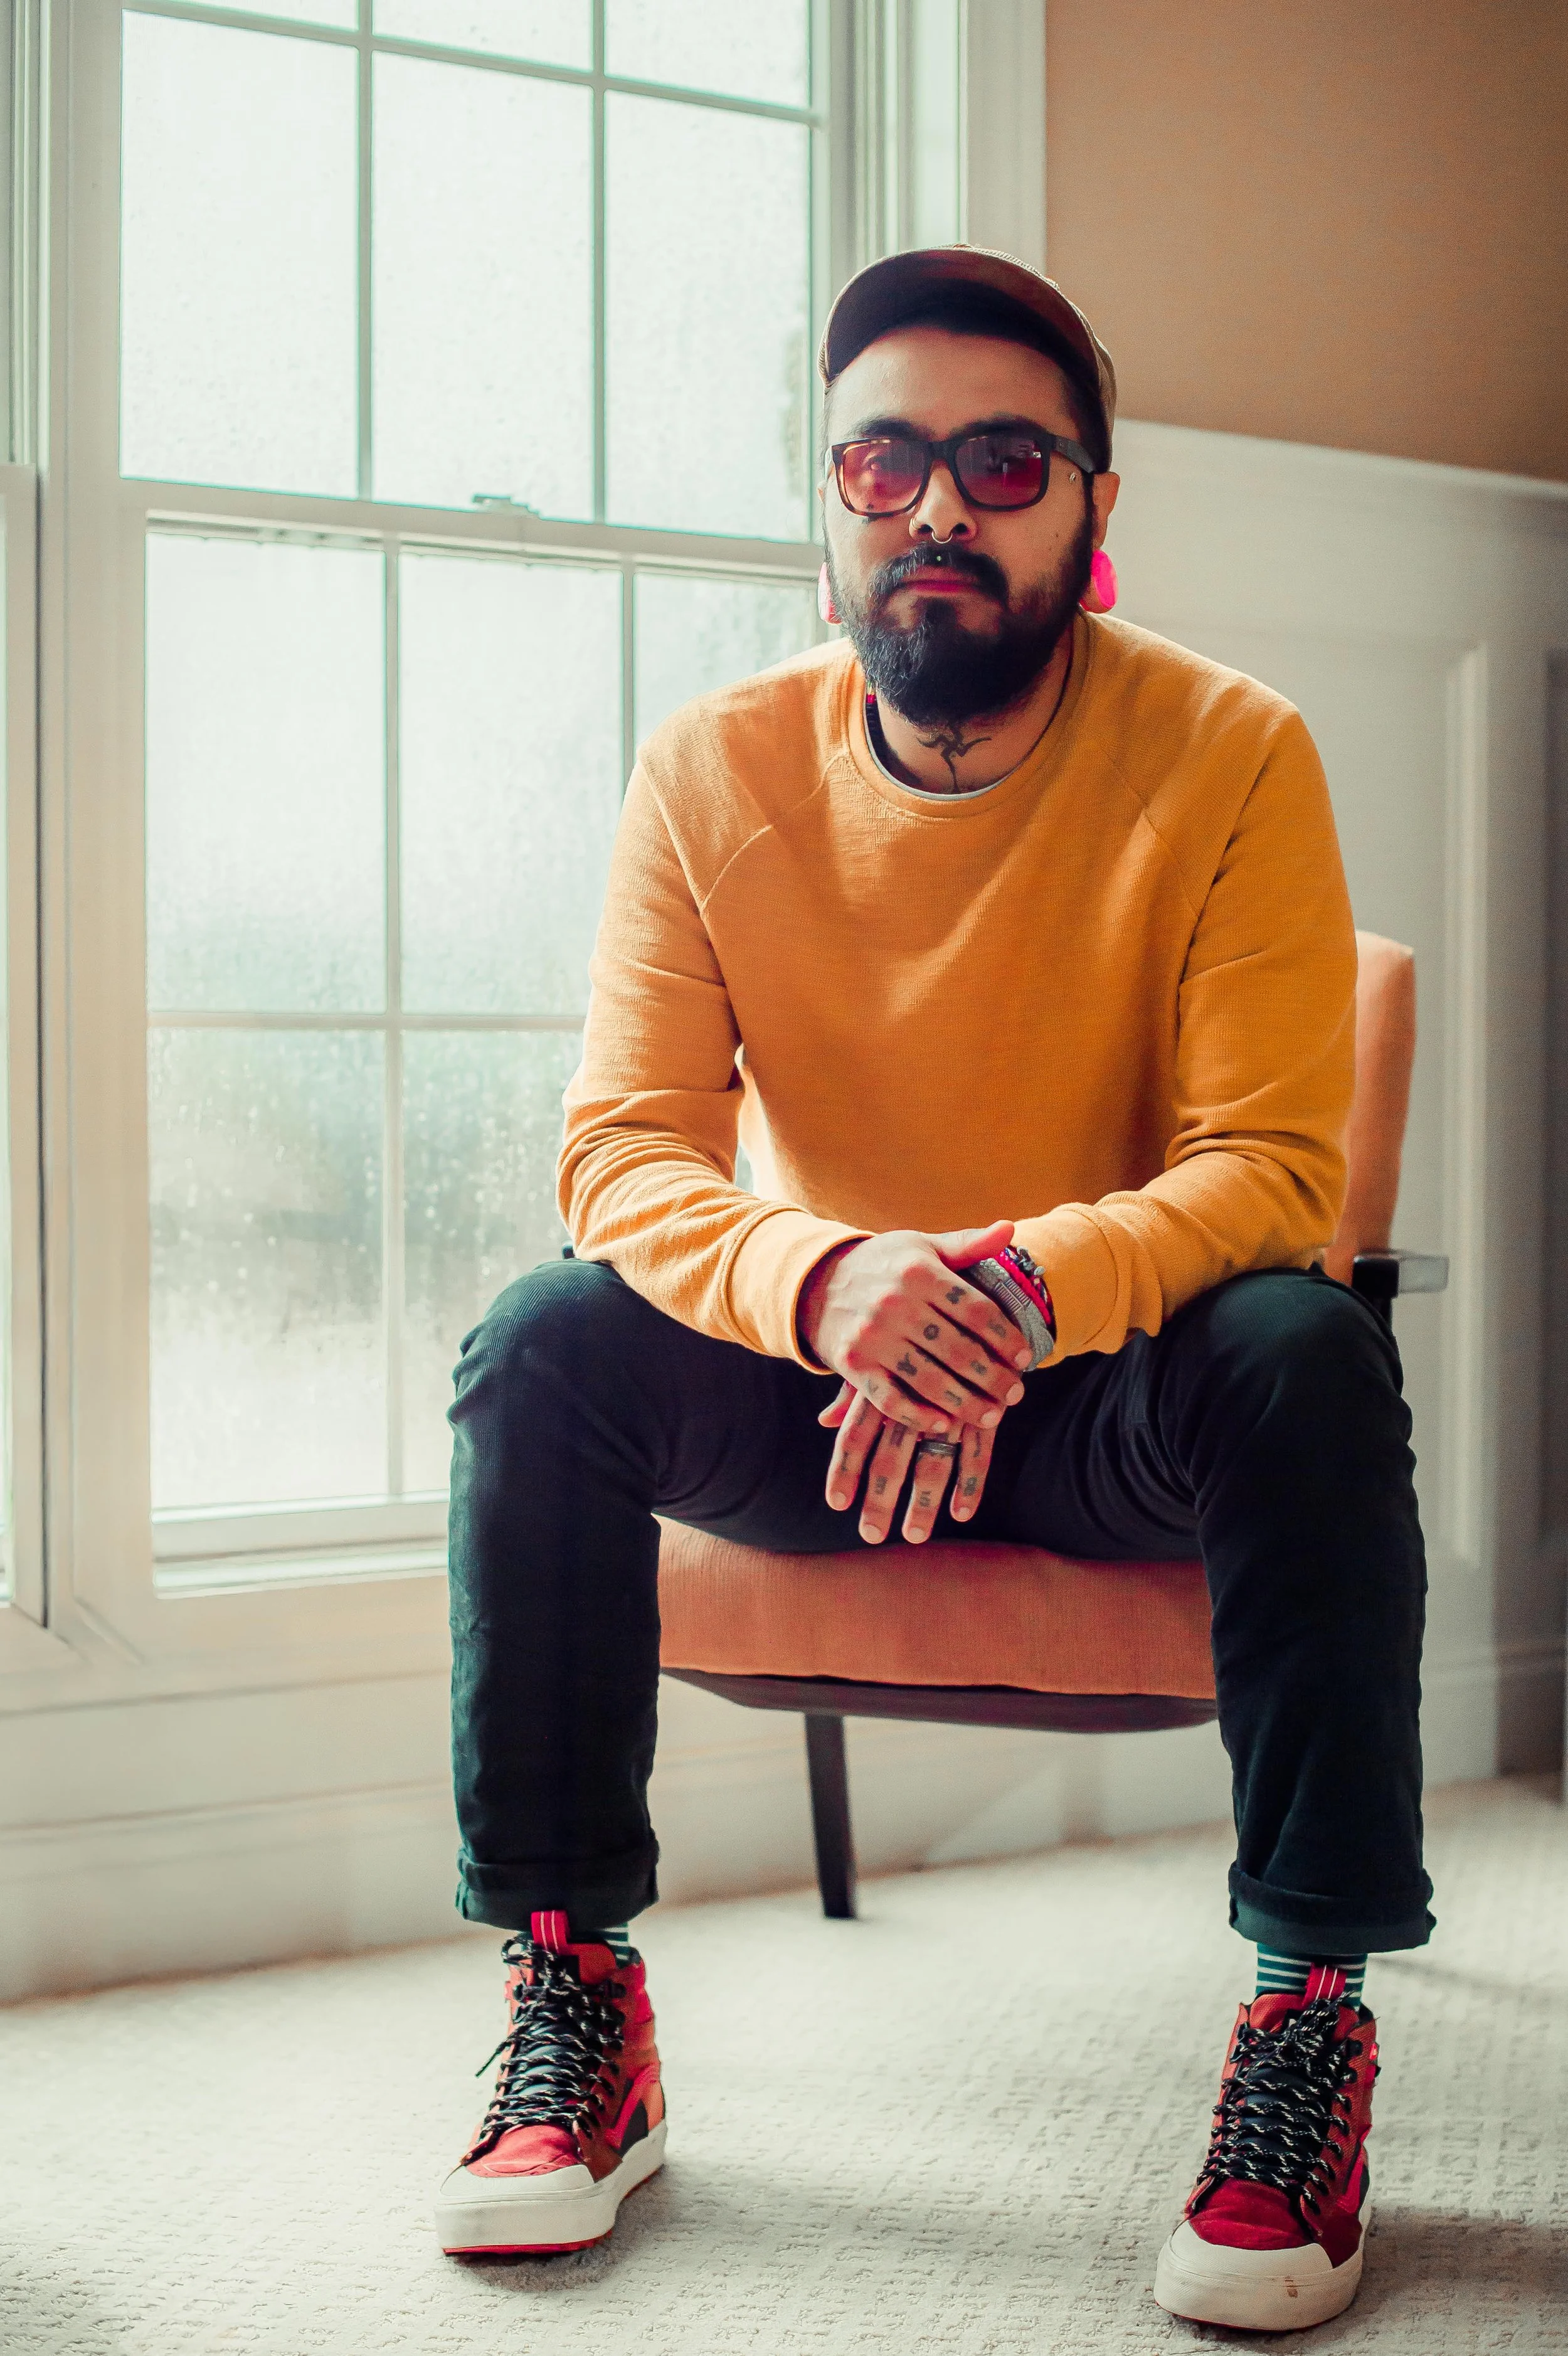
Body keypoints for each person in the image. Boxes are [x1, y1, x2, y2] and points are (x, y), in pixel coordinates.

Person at [435, 247, 1431, 2333]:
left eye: (1000, 461)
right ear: (826, 525)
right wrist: (831, 1287)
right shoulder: (712, 768)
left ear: (1089, 518)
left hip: (1106, 1402)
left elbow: (1273, 1168)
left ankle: (1303, 2024)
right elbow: (620, 1149)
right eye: (882, 461)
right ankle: (573, 2001)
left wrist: (991, 1293)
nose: (936, 509)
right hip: (827, 1384)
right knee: (539, 1341)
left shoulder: (1231, 751)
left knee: (1307, 1341)